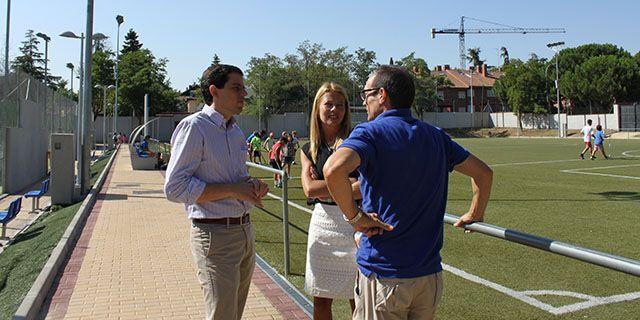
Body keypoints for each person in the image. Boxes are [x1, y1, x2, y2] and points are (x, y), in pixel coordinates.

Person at [324, 65, 493, 320]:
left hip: (384, 274)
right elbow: (483, 174)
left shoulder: (370, 132)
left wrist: (355, 218)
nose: (364, 101)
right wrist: (475, 212)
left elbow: (333, 169)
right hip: (429, 278)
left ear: (382, 95)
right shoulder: (435, 136)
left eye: (366, 94)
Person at [164, 64, 269, 320]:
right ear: (215, 91)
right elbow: (175, 187)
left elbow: (235, 178)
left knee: (234, 313)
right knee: (222, 314)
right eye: (236, 88)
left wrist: (251, 185)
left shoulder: (235, 131)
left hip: (244, 231)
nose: (243, 94)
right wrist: (234, 190)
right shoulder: (195, 127)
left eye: (243, 89)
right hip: (214, 235)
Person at [301, 82, 359, 319]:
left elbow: (363, 188)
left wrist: (323, 187)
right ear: (317, 108)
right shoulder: (309, 149)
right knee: (321, 299)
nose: (334, 110)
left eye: (340, 105)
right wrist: (344, 183)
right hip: (322, 226)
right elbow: (309, 190)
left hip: (353, 223)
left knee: (358, 297)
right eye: (329, 104)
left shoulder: (356, 142)